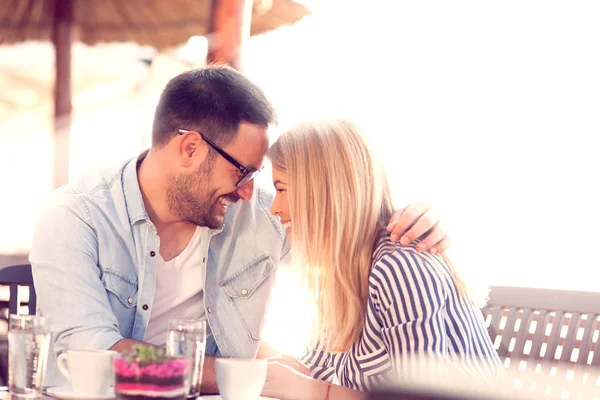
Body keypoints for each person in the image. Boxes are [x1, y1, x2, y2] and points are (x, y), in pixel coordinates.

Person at [30, 66, 451, 391]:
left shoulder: (258, 215)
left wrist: (420, 219)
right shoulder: (74, 216)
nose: (251, 192)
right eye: (242, 172)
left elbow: (345, 231)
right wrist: (253, 377)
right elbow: (95, 355)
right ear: (190, 148)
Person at [261, 119, 502, 400]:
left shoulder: (399, 268)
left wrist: (313, 391)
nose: (274, 208)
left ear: (323, 191)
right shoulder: (345, 275)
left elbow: (421, 399)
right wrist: (268, 374)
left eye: (282, 189)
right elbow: (316, 370)